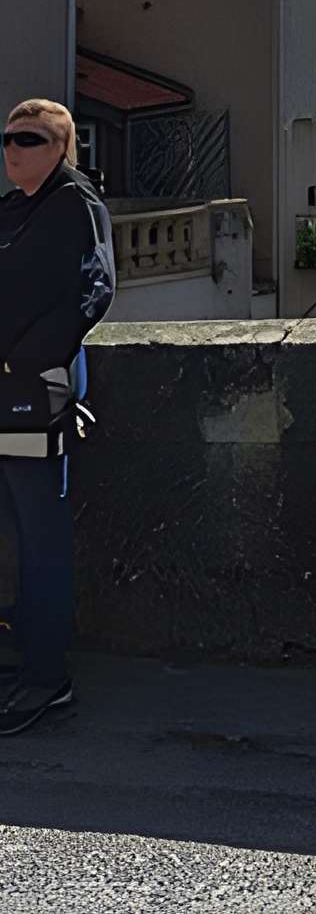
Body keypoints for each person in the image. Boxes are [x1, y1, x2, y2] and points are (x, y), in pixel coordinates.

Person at [0, 99, 115, 735]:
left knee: (40, 533)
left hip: (31, 393)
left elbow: (91, 292)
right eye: (7, 138)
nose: (13, 149)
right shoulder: (15, 208)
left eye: (30, 139)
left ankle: (46, 679)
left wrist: (23, 362)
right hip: (6, 393)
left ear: (62, 147)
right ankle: (25, 661)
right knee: (12, 526)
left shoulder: (76, 203)